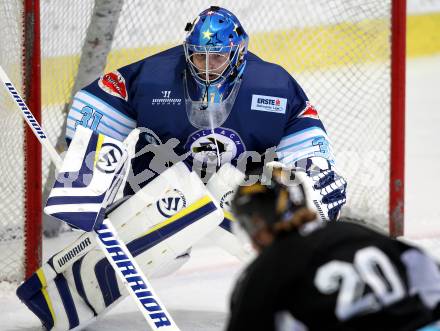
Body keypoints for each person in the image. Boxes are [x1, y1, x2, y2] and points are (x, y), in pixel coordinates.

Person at [17, 7, 347, 331]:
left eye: (217, 57)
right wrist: (85, 175)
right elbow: (98, 102)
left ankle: (315, 302)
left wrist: (313, 175)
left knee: (273, 223)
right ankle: (60, 300)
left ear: (239, 53)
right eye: (199, 56)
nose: (206, 66)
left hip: (240, 195)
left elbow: (305, 135)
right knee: (141, 255)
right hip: (159, 190)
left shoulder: (273, 84)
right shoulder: (155, 75)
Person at [227, 166, 440, 331]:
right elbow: (427, 269)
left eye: (249, 224)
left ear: (260, 221)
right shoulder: (353, 230)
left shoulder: (264, 272)